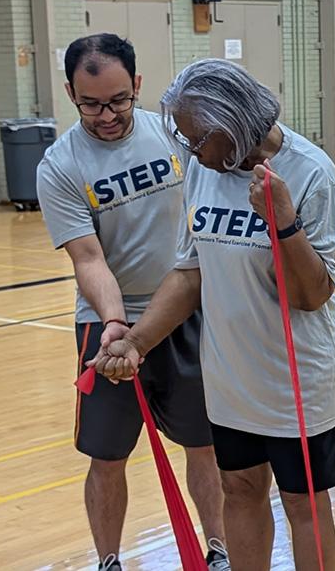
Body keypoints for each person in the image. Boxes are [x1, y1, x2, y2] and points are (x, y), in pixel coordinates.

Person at [94, 58, 335, 571]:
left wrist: (284, 224)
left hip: (296, 379)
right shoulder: (205, 173)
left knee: (303, 502)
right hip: (230, 378)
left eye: (196, 139)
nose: (190, 151)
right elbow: (190, 272)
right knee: (238, 488)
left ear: (230, 127)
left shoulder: (310, 171)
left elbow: (312, 293)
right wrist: (137, 341)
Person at [35, 34, 229, 571]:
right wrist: (116, 326)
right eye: (91, 103)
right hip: (109, 325)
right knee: (107, 455)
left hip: (187, 311)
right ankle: (109, 560)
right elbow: (89, 259)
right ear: (71, 93)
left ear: (137, 85)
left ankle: (219, 550)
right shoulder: (59, 165)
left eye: (119, 100)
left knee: (204, 445)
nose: (106, 115)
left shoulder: (174, 133)